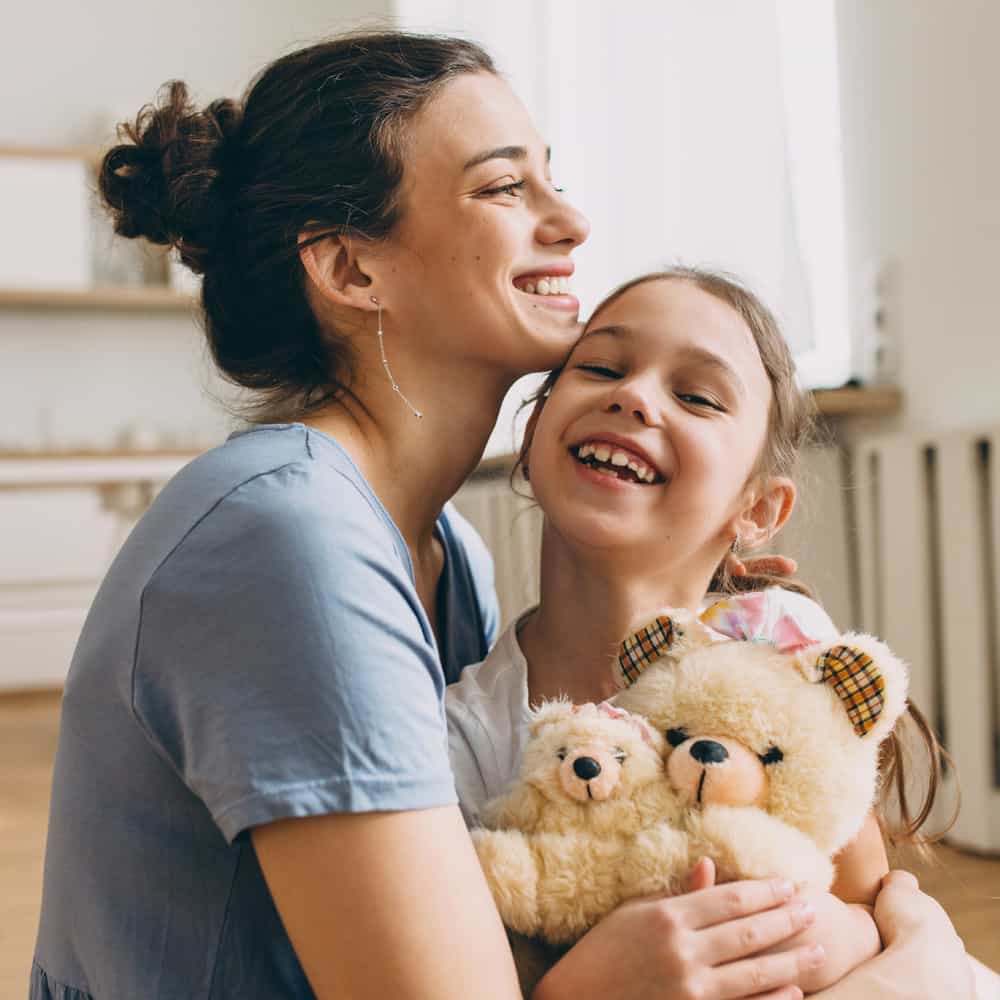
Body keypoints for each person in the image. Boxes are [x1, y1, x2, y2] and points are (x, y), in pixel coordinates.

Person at [30, 30, 975, 1000]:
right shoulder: (286, 539)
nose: (568, 222)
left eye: (552, 181)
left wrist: (914, 940)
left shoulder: (448, 556)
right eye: (503, 187)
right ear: (352, 269)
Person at [447, 268, 982, 997]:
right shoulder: (466, 736)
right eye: (603, 367)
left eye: (695, 396)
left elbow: (868, 902)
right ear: (536, 427)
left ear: (759, 509)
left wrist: (831, 939)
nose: (633, 395)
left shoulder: (791, 655)